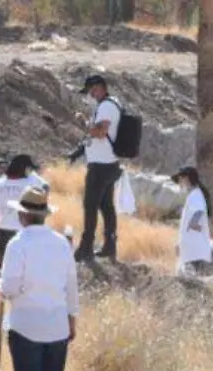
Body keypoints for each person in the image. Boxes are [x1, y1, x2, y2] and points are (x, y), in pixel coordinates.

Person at [0, 186, 79, 371]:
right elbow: (71, 285)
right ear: (43, 214)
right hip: (57, 326)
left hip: (25, 327)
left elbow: (9, 288)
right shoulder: (61, 244)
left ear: (22, 215)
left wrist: (2, 287)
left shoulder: (17, 244)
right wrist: (72, 320)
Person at [77, 73, 123, 263]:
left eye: (92, 90)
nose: (91, 94)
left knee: (90, 205)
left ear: (101, 87)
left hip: (101, 166)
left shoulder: (105, 106)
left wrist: (83, 124)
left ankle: (86, 248)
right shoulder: (113, 104)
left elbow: (101, 132)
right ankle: (109, 246)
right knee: (106, 206)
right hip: (109, 163)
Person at [0, 153, 49, 265]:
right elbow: (46, 187)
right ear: (25, 168)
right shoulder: (32, 181)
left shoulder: (0, 184)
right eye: (29, 168)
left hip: (3, 233)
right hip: (25, 232)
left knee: (3, 271)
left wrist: (2, 218)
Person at [173, 166, 213, 275]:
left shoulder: (196, 195)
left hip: (195, 250)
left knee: (193, 282)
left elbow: (198, 211)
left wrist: (194, 223)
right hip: (193, 250)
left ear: (186, 179)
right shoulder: (195, 194)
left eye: (180, 179)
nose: (179, 183)